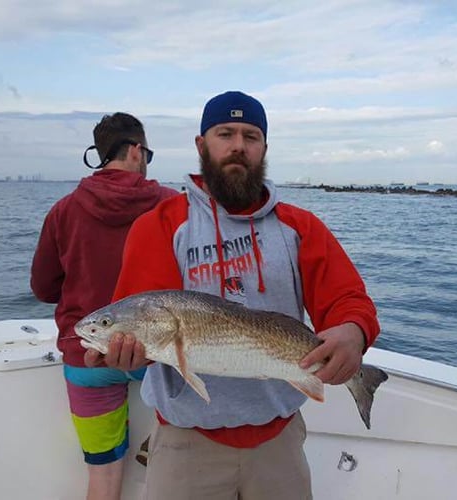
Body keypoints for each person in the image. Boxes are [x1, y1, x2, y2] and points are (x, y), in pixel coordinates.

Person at [87, 91, 381, 499]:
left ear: (264, 148)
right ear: (201, 144)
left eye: (251, 135)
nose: (238, 145)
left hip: (279, 439)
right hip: (185, 441)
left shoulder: (299, 227)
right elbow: (136, 316)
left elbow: (348, 298)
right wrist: (119, 349)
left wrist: (354, 331)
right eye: (225, 133)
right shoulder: (160, 227)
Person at [30, 112, 176, 500]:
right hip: (157, 357)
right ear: (135, 150)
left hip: (87, 359)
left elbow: (44, 287)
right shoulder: (171, 206)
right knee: (179, 467)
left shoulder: (64, 210)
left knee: (104, 475)